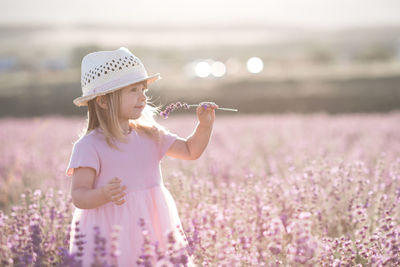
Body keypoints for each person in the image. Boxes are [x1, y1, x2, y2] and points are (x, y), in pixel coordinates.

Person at [65, 47, 218, 266]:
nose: (142, 96)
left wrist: (204, 125)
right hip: (109, 233)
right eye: (133, 90)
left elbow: (190, 151)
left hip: (154, 225)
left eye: (143, 89)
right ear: (103, 101)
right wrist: (104, 194)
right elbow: (79, 195)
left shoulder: (149, 134)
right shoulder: (89, 146)